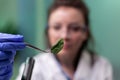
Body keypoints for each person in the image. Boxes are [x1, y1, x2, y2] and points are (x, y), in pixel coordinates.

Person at [0, 0, 113, 80]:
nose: (64, 36)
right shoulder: (35, 68)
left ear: (85, 33)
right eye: (57, 27)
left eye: (75, 28)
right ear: (48, 31)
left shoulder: (101, 66)